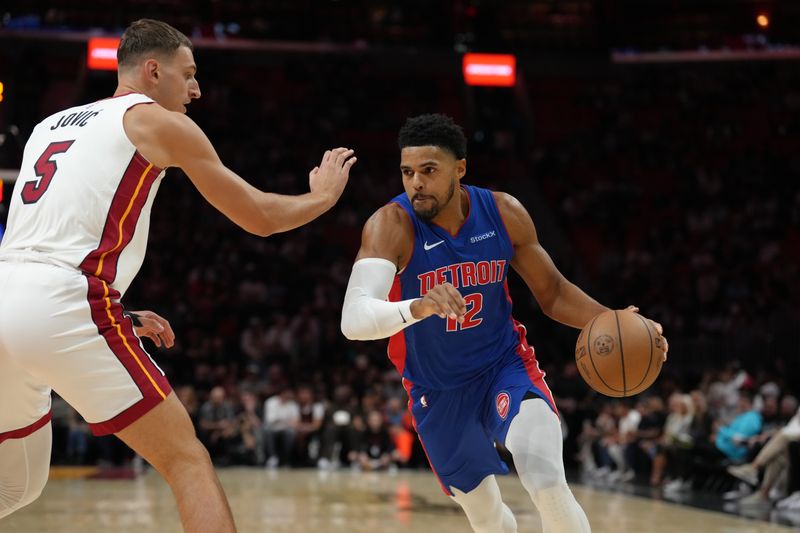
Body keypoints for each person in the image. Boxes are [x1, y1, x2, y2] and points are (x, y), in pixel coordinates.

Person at [0, 19, 355, 531]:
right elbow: (258, 216)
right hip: (61, 301)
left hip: (12, 291)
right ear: (152, 70)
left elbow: (46, 241)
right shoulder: (155, 121)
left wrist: (113, 310)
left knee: (18, 484)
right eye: (187, 74)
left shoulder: (47, 126)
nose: (196, 89)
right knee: (187, 461)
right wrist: (321, 197)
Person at [340, 113, 667, 533]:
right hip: (436, 389)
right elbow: (353, 320)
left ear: (460, 168)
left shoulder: (503, 212)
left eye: (428, 170)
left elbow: (553, 293)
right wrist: (417, 307)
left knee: (546, 480)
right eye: (407, 172)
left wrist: (618, 321)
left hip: (504, 366)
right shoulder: (390, 225)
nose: (415, 183)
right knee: (489, 518)